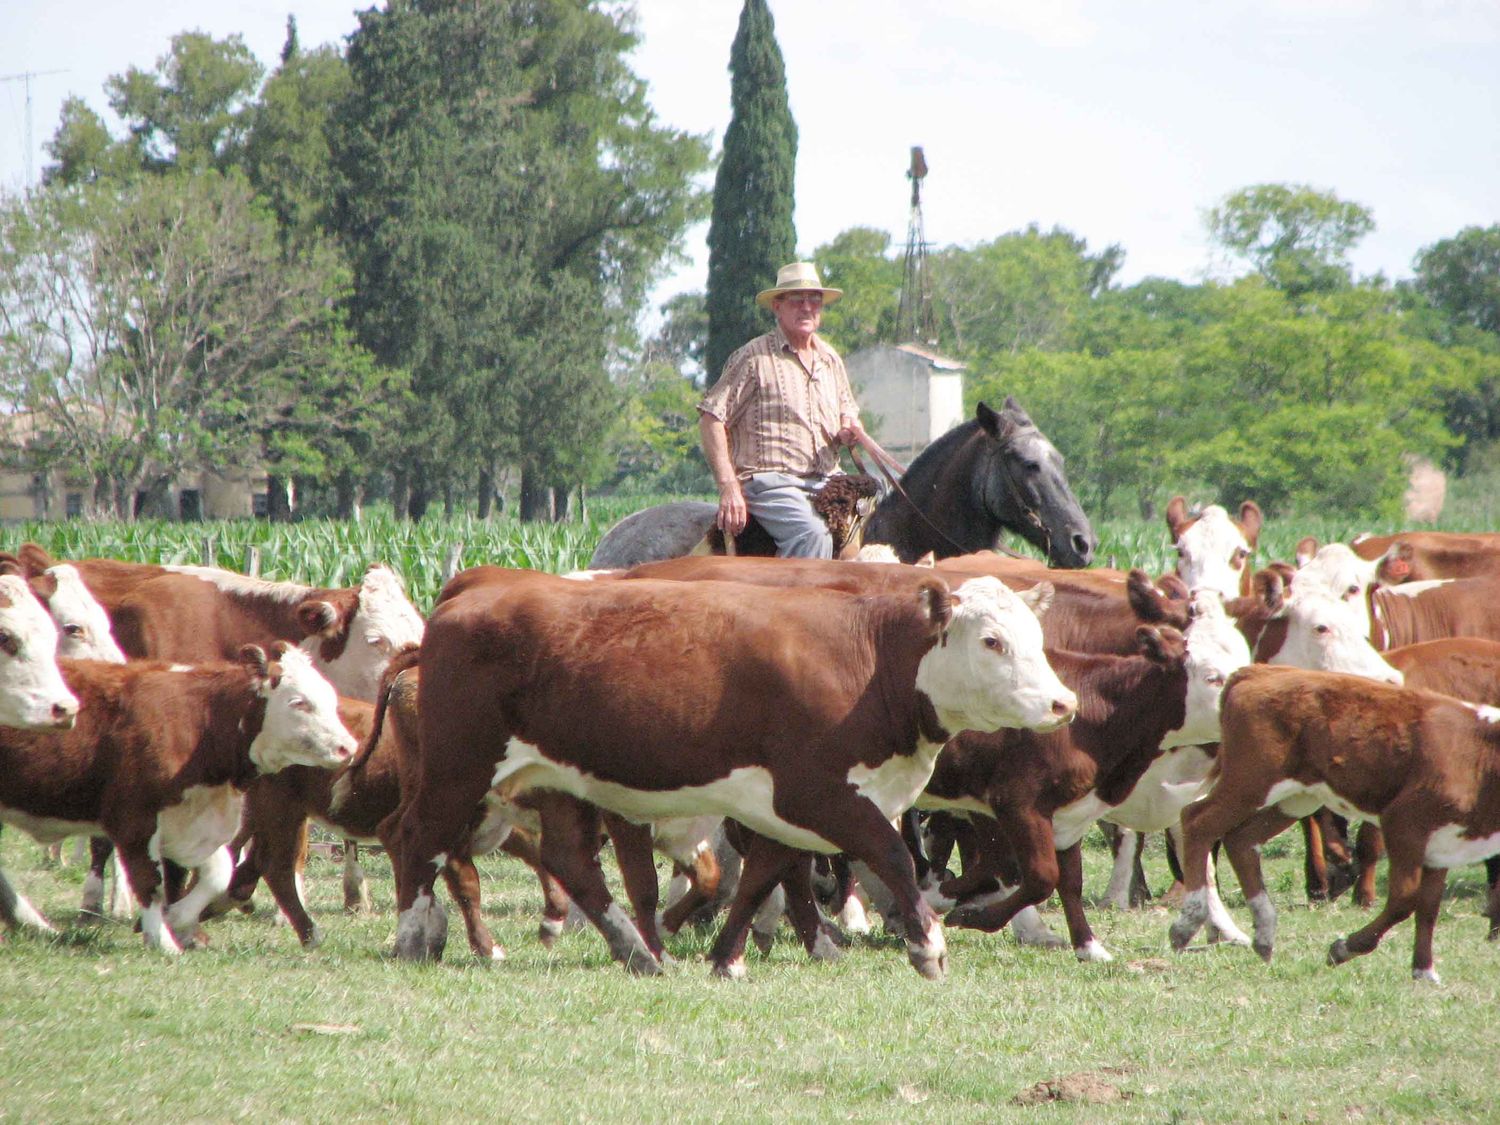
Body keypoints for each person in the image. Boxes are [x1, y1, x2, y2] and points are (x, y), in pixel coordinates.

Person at [697, 261, 868, 558]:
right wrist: (728, 486)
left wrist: (850, 428)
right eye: (796, 299)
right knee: (811, 535)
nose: (807, 307)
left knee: (884, 525)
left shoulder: (830, 360)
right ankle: (801, 604)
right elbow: (711, 417)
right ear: (777, 306)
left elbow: (848, 413)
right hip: (772, 484)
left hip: (828, 480)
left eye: (814, 299)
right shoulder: (754, 357)